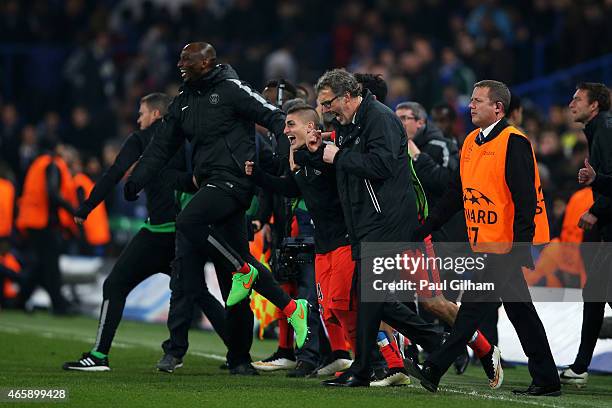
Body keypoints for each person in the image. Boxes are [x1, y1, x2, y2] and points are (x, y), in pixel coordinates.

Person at [124, 42, 309, 375]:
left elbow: (273, 116)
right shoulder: (183, 102)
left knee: (188, 222)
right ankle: (281, 316)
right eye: (180, 58)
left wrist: (288, 153)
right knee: (230, 278)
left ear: (207, 62)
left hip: (233, 180)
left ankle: (243, 277)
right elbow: (160, 148)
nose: (180, 63)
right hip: (210, 185)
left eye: (187, 59)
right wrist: (137, 179)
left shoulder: (231, 89)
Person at [407, 80, 561, 397]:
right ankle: (547, 378)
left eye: (478, 101)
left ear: (498, 108)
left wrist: (520, 249)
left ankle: (435, 367)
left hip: (506, 245)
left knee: (472, 309)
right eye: (472, 101)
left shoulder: (513, 141)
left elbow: (525, 200)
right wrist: (428, 226)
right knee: (521, 312)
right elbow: (456, 194)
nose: (471, 106)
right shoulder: (471, 141)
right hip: (488, 242)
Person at [62, 93, 227, 371]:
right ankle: (239, 355)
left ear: (156, 115)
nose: (138, 119)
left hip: (158, 232)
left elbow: (115, 173)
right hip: (187, 232)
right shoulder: (188, 139)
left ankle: (99, 355)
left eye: (141, 113)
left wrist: (87, 206)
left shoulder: (142, 139)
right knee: (198, 292)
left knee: (115, 285)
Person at [313, 69, 442, 387]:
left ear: (346, 97)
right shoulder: (350, 122)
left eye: (329, 103)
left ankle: (363, 367)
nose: (326, 109)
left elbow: (382, 165)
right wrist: (314, 155)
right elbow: (344, 169)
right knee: (371, 297)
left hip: (385, 220)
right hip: (365, 220)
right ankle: (437, 342)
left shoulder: (379, 118)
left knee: (371, 295)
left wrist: (338, 156)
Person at [561, 82, 612, 387]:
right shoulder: (600, 128)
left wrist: (596, 209)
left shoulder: (604, 128)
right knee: (594, 294)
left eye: (578, 99)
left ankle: (580, 366)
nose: (571, 103)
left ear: (594, 105)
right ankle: (580, 366)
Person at [15, 135, 77, 315]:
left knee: (42, 265)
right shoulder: (52, 164)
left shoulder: (37, 163)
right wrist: (73, 210)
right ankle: (59, 306)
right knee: (50, 264)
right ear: (57, 147)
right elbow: (52, 193)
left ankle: (21, 299)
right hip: (43, 222)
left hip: (30, 220)